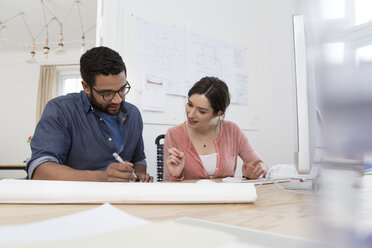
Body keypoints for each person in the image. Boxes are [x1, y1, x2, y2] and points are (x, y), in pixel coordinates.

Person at [27, 46, 153, 182]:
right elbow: (40, 171)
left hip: (122, 199)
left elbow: (139, 160)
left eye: (122, 89)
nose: (118, 99)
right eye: (107, 93)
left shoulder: (133, 114)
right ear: (86, 87)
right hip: (75, 200)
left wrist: (140, 175)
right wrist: (103, 177)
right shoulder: (61, 110)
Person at [164, 76, 267, 181]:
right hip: (191, 197)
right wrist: (175, 175)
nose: (190, 114)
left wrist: (256, 172)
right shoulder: (173, 134)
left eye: (202, 111)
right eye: (190, 104)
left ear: (218, 113)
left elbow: (260, 165)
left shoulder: (232, 130)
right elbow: (166, 185)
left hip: (227, 197)